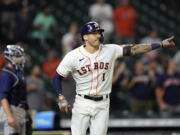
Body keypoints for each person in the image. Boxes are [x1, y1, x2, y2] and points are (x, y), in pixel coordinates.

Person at [53, 21, 175, 135]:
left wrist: (160, 44)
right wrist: (60, 96)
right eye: (94, 33)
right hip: (82, 102)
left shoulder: (110, 50)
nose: (98, 36)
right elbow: (57, 77)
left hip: (103, 104)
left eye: (99, 32)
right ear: (85, 37)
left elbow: (135, 48)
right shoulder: (73, 56)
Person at [0, 45, 31, 135]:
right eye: (18, 56)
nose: (21, 58)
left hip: (20, 110)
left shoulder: (18, 73)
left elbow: (22, 96)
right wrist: (9, 116)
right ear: (10, 57)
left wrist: (26, 111)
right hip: (11, 109)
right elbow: (3, 97)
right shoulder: (7, 74)